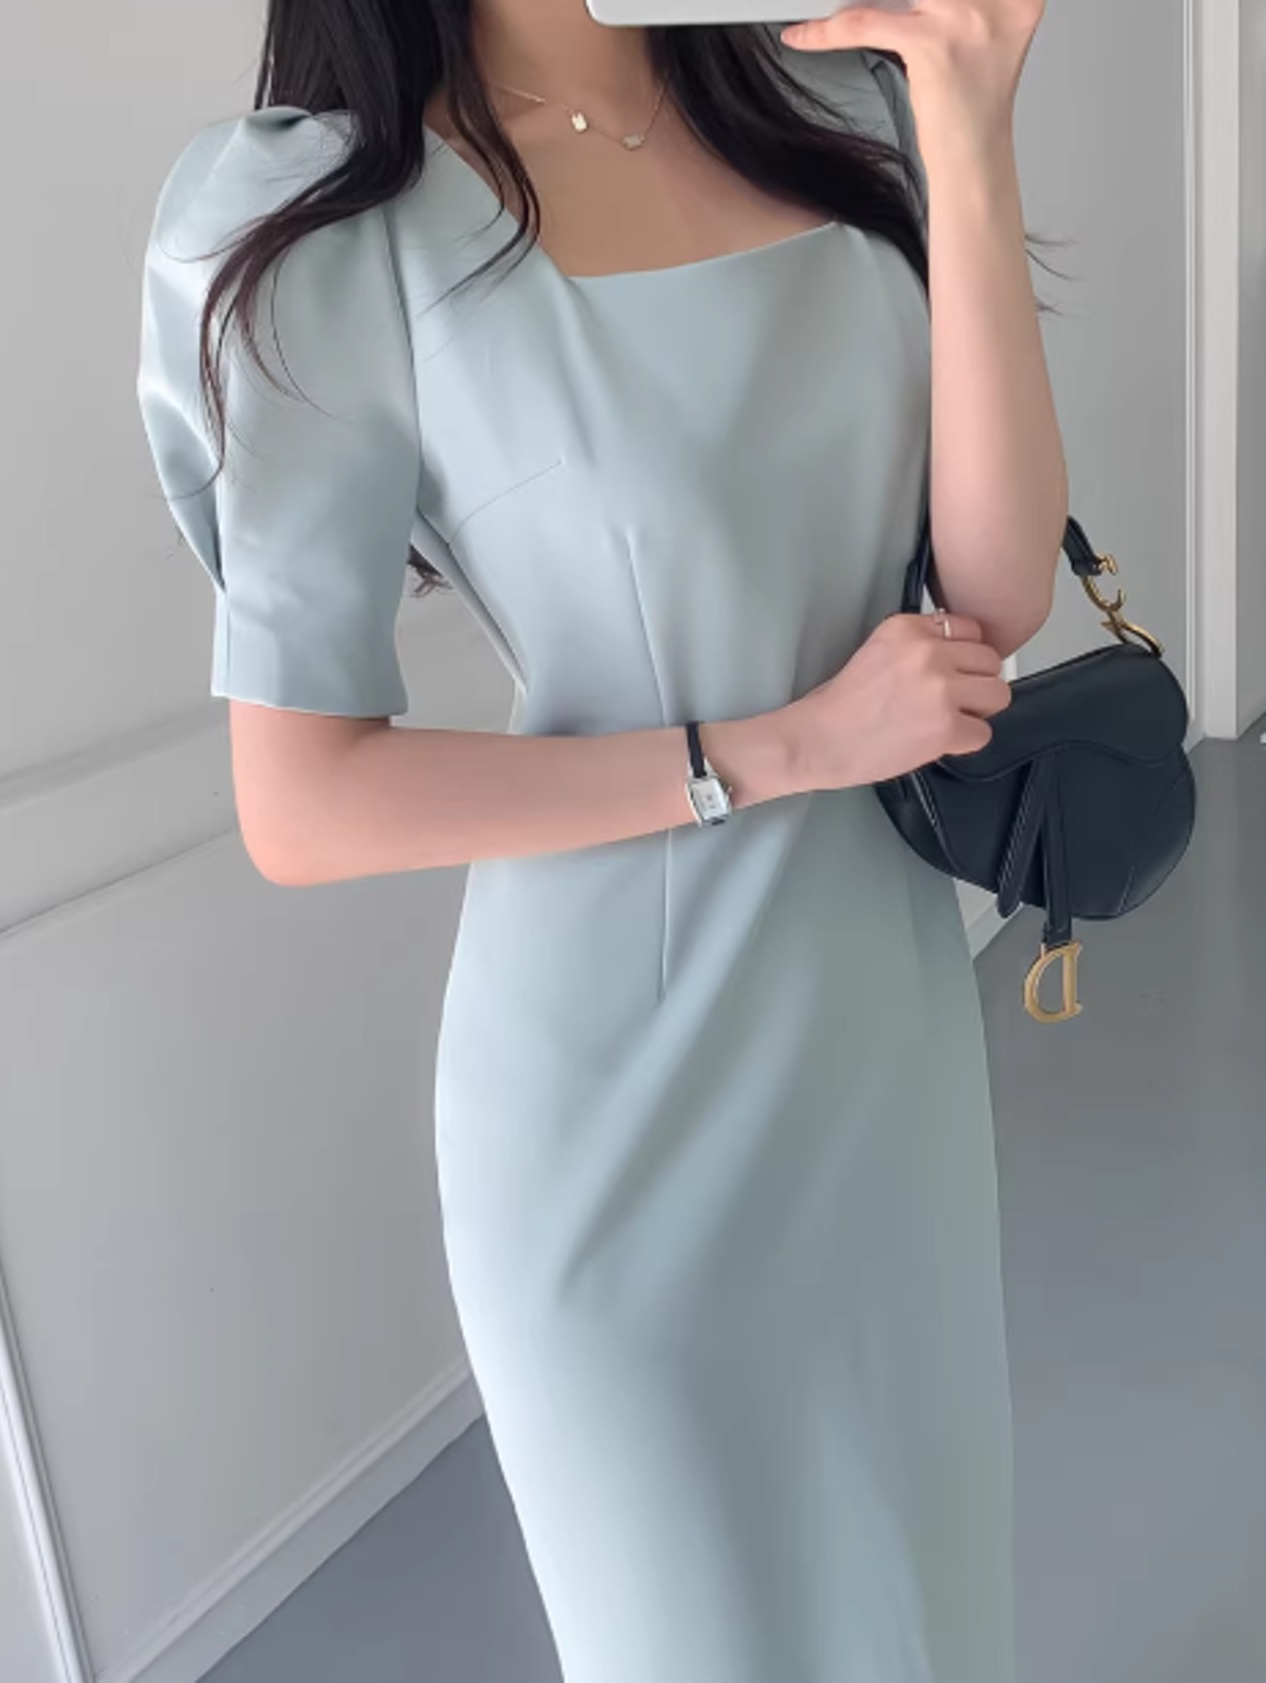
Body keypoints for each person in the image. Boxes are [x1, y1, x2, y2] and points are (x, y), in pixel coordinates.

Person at [137, 2, 1065, 1678]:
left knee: (923, 1621)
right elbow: (304, 799)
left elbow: (992, 601)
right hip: (610, 1107)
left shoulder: (843, 109)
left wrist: (970, 115)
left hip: (882, 1040)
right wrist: (785, 747)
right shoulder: (339, 220)